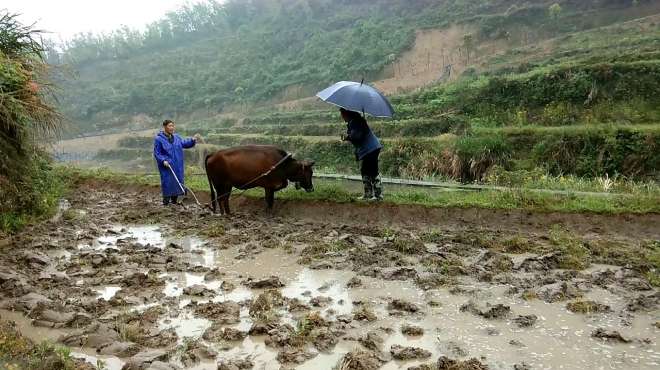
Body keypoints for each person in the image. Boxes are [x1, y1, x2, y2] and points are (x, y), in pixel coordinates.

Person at [340, 108, 383, 201]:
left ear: (347, 114)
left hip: (371, 149)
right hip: (370, 148)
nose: (341, 116)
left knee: (372, 171)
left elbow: (357, 136)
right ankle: (368, 194)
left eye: (342, 114)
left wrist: (347, 137)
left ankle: (378, 195)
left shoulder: (355, 122)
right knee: (365, 170)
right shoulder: (354, 121)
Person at [153, 119, 199, 205]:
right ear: (165, 127)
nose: (172, 128)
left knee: (177, 182)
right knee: (167, 183)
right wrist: (163, 160)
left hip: (177, 165)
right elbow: (157, 153)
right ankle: (166, 202)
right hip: (167, 166)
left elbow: (184, 143)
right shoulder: (159, 139)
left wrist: (192, 140)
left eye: (172, 126)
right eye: (170, 126)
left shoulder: (177, 137)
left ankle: (174, 202)